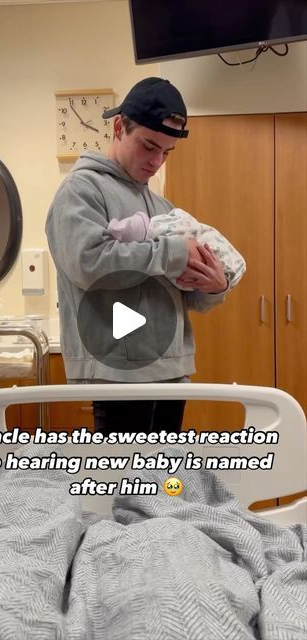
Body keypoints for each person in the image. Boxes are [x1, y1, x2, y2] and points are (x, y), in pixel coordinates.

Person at [46, 77, 233, 435]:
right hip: (117, 372)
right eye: (149, 146)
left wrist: (213, 286)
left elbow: (184, 292)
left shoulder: (162, 206)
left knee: (162, 486)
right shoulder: (81, 190)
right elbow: (89, 264)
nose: (157, 161)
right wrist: (175, 252)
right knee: (124, 488)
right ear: (119, 126)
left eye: (166, 152)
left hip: (172, 369)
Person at [107, 208, 246, 291]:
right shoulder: (89, 190)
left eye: (165, 156)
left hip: (177, 336)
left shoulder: (165, 206)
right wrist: (179, 249)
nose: (156, 162)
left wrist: (220, 287)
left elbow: (196, 302)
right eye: (148, 155)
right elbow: (91, 265)